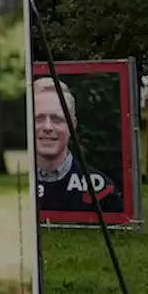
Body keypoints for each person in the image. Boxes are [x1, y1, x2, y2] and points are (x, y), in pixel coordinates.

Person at [33, 76, 123, 212]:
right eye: (39, 118)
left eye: (57, 119)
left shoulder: (102, 190)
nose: (47, 127)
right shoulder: (8, 190)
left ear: (72, 125)